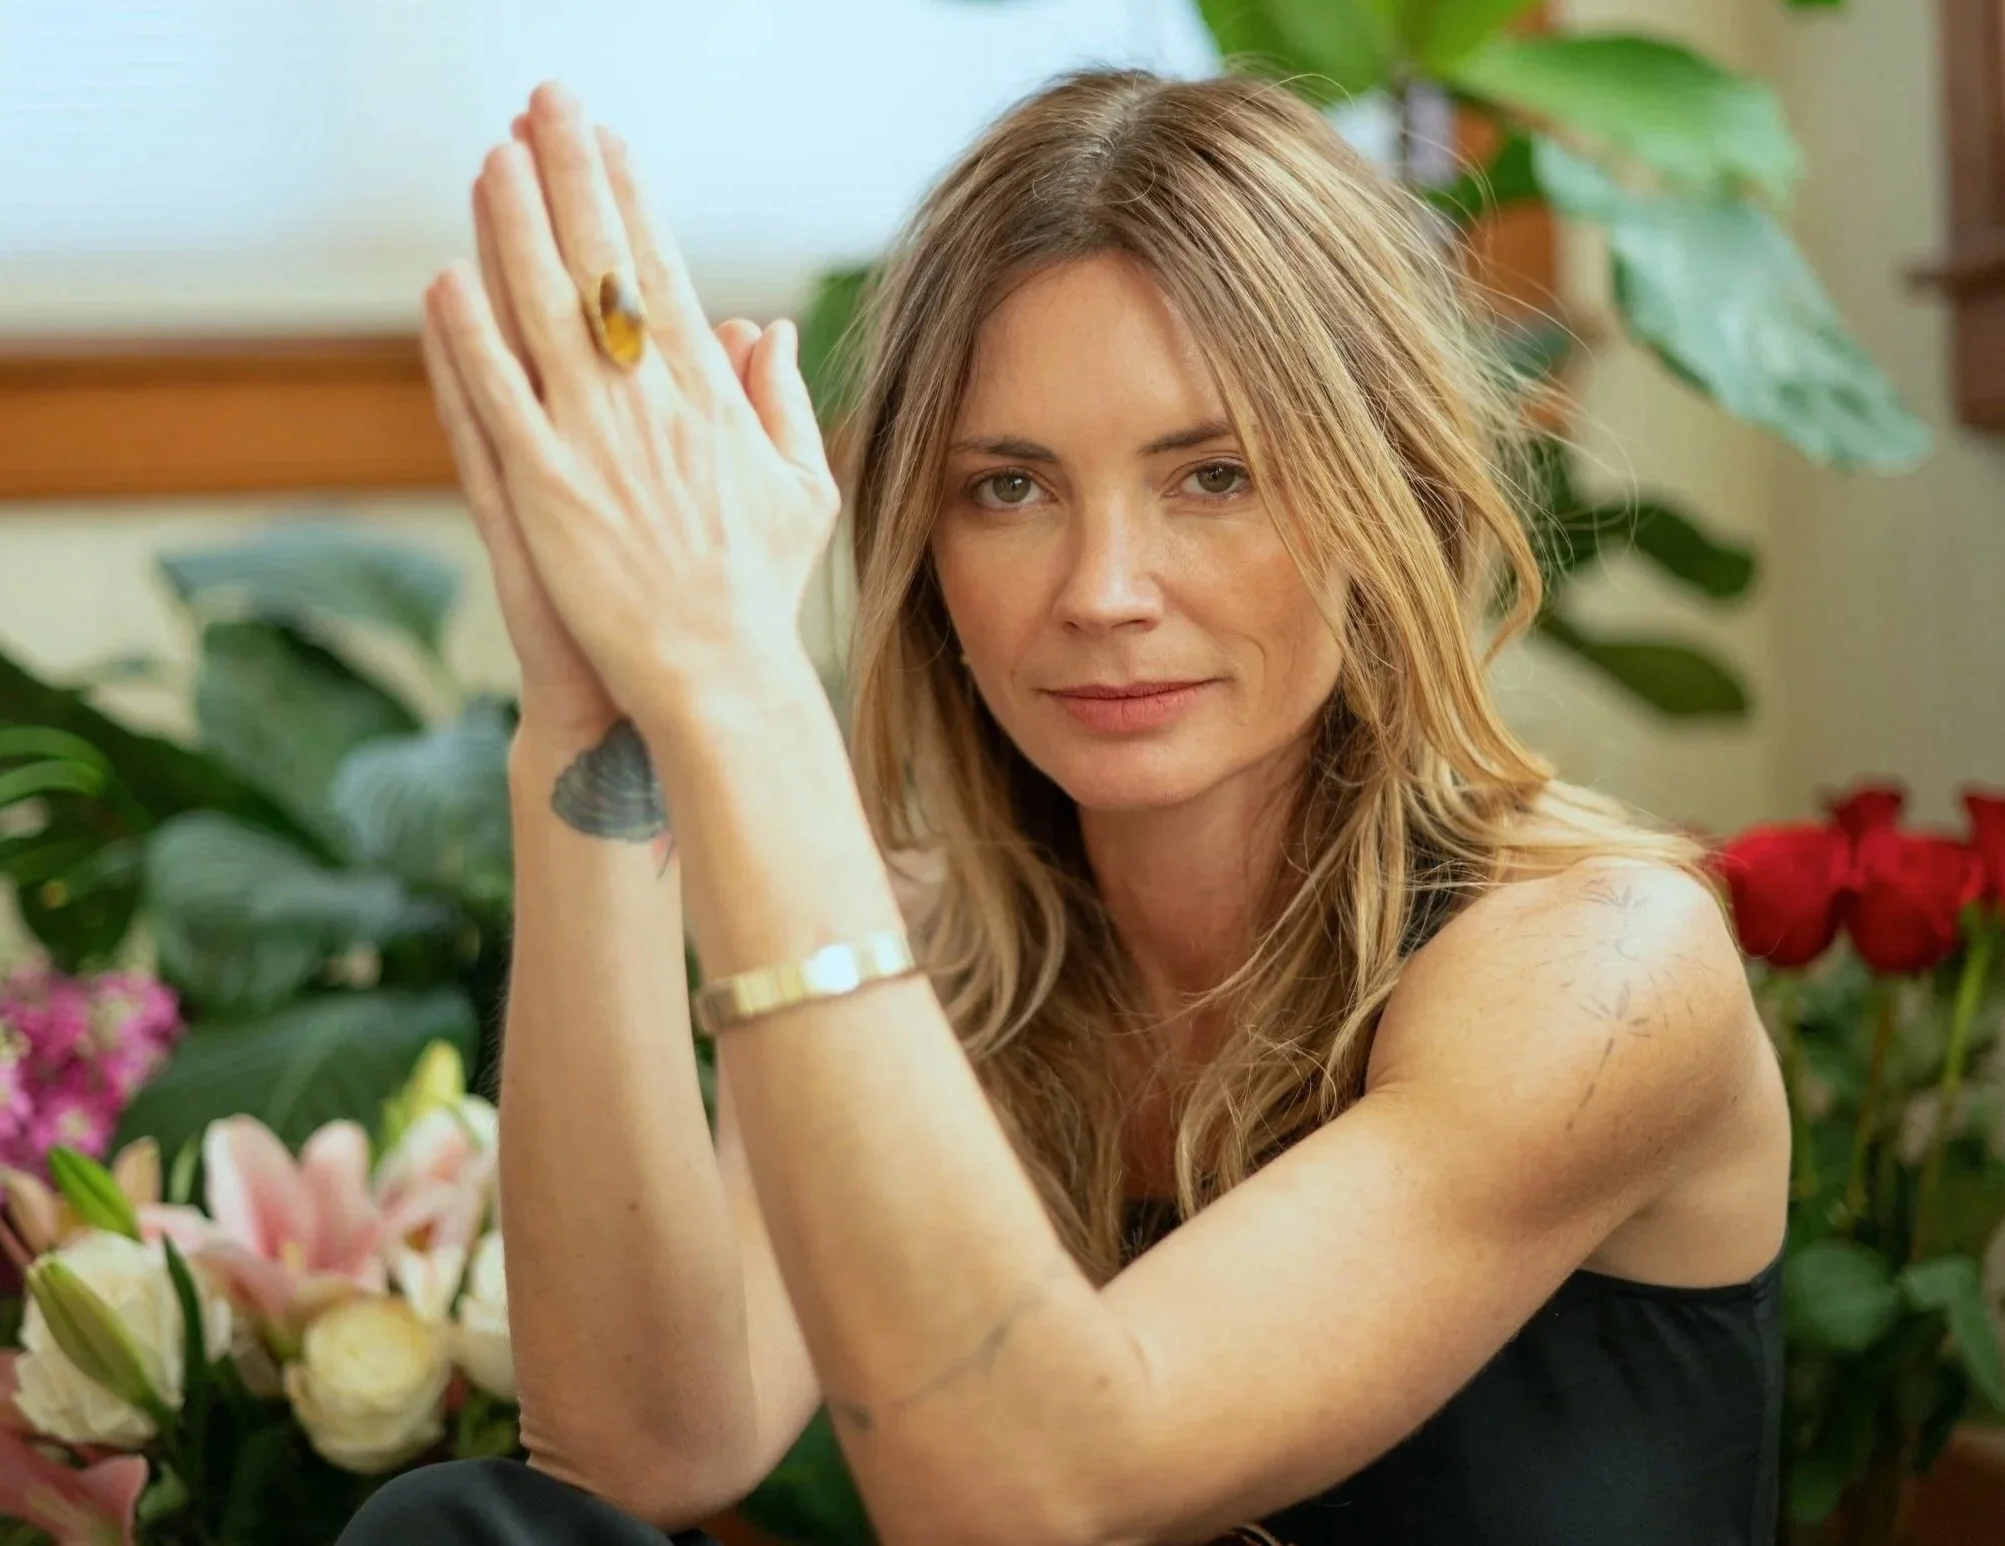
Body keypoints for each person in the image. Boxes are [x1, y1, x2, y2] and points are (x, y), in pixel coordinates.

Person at [345, 64, 1791, 1546]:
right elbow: (642, 1445)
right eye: (1010, 489)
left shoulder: (1601, 967)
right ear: (926, 541)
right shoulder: (946, 941)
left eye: (1214, 476)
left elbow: (1047, 1486)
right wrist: (591, 726)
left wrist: (734, 680)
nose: (1103, 592)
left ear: (1390, 499)